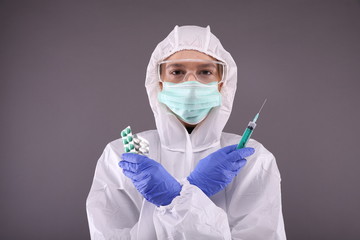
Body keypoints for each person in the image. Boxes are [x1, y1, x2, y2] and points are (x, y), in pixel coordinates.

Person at [86, 25, 286, 240]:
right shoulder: (121, 156)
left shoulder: (252, 159)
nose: (191, 83)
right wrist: (190, 194)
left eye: (205, 72)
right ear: (159, 83)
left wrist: (176, 199)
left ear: (222, 84)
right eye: (177, 72)